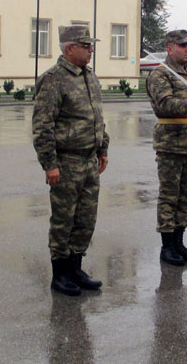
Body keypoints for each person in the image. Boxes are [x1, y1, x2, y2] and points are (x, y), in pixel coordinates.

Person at [32, 25, 109, 297]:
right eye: (86, 46)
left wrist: (103, 148)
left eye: (91, 45)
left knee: (86, 219)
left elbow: (97, 116)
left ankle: (76, 267)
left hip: (89, 160)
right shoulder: (54, 79)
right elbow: (43, 126)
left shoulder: (89, 76)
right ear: (69, 49)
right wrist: (49, 164)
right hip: (66, 161)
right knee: (64, 219)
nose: (91, 50)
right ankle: (60, 274)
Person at [146, 29, 187, 266]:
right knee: (169, 196)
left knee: (185, 196)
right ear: (170, 47)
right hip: (171, 144)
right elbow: (164, 105)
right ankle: (167, 246)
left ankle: (179, 242)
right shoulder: (160, 74)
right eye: (182, 45)